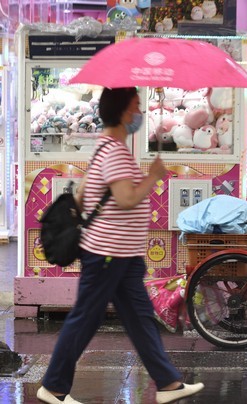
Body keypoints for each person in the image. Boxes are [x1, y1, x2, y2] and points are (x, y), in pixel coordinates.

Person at [37, 87, 204, 404]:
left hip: (122, 255)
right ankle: (55, 387)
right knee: (85, 317)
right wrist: (153, 176)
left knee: (140, 318)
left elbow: (85, 195)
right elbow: (126, 199)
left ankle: (168, 383)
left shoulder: (108, 148)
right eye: (137, 106)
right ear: (125, 112)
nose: (140, 113)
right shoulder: (113, 150)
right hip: (107, 254)